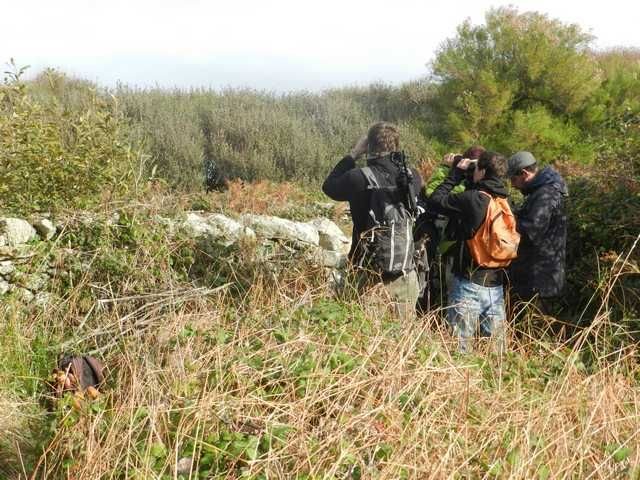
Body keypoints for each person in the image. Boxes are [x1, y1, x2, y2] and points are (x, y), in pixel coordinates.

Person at [322, 122, 423, 320]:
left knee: (362, 334)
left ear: (369, 146)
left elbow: (329, 187)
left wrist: (353, 154)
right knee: (404, 337)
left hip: (365, 272)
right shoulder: (413, 177)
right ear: (395, 145)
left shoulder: (357, 178)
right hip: (404, 271)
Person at [427, 151, 511, 353]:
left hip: (468, 283)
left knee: (459, 349)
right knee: (496, 352)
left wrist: (455, 174)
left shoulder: (472, 199)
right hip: (495, 285)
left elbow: (435, 199)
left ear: (481, 171)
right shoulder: (505, 201)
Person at [507, 151, 569, 313]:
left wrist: (509, 220)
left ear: (524, 174)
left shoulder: (545, 194)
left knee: (535, 329)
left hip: (539, 279)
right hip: (538, 275)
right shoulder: (540, 192)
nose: (512, 185)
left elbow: (531, 231)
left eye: (513, 179)